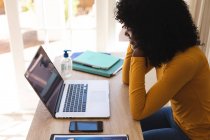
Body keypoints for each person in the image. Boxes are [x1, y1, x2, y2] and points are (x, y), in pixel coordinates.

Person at [114, 0, 210, 139]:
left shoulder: (186, 60)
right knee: (122, 123)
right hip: (176, 117)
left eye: (132, 26)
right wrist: (133, 42)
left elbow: (139, 111)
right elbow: (127, 78)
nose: (127, 30)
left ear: (151, 28)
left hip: (195, 135)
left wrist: (138, 49)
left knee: (132, 137)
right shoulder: (166, 48)